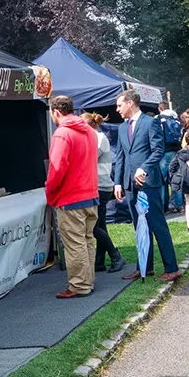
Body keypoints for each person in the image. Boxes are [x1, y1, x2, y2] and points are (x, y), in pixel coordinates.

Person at [112, 89, 180, 282]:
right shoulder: (121, 128)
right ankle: (145, 267)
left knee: (157, 225)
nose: (117, 109)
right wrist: (118, 183)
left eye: (119, 105)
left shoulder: (151, 123)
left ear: (130, 103)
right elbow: (121, 157)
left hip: (148, 183)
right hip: (130, 185)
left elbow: (158, 151)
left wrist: (144, 168)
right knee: (139, 227)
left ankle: (172, 268)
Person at [45, 96, 100, 299]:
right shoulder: (90, 132)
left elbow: (56, 169)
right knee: (87, 241)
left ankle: (80, 286)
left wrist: (50, 192)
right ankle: (87, 281)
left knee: (75, 244)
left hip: (70, 198)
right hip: (90, 194)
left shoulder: (62, 134)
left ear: (56, 112)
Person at [80, 112, 126, 273]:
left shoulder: (98, 139)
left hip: (100, 186)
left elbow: (88, 158)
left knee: (93, 226)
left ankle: (116, 256)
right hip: (101, 186)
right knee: (100, 225)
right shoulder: (97, 137)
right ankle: (99, 262)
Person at [157, 101, 184, 212]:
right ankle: (177, 205)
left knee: (162, 180)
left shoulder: (159, 119)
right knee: (176, 178)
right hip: (177, 151)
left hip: (164, 152)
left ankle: (163, 206)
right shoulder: (177, 119)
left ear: (160, 108)